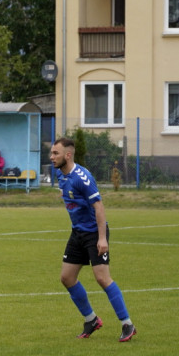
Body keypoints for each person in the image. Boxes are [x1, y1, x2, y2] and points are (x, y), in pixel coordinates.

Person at [49, 137, 136, 342]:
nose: (51, 157)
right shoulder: (62, 176)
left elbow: (99, 207)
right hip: (77, 232)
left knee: (102, 278)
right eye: (52, 153)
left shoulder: (82, 177)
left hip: (94, 233)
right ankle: (91, 320)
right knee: (67, 278)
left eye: (55, 153)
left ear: (67, 155)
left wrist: (102, 239)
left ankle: (127, 324)